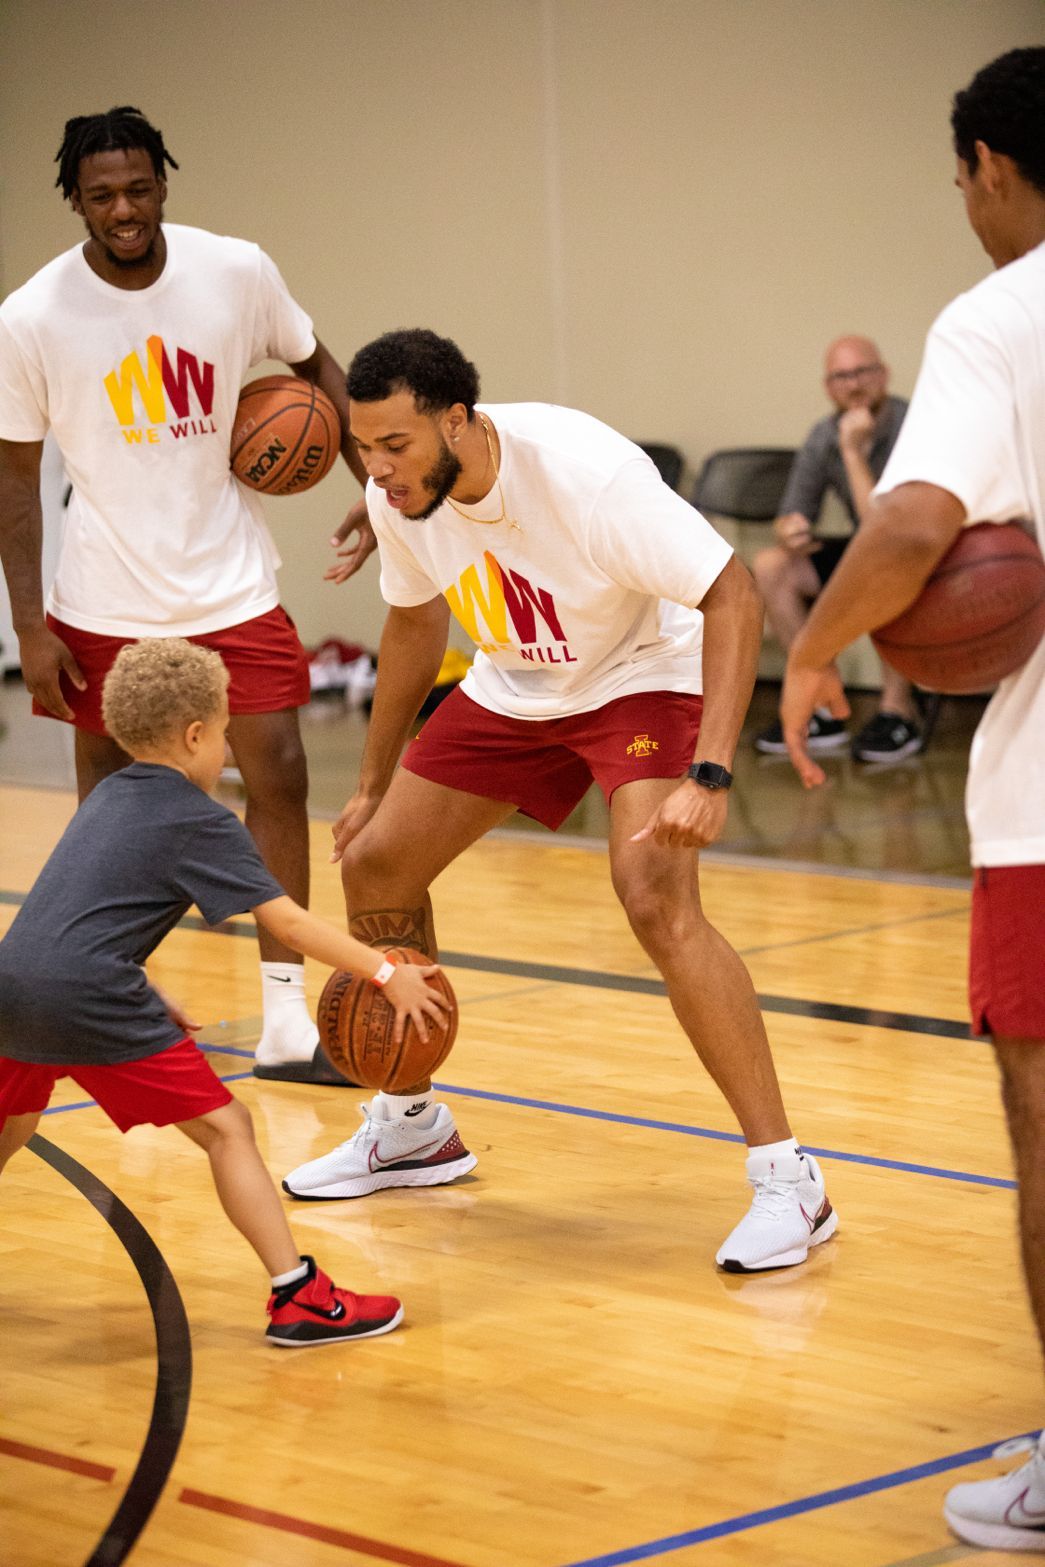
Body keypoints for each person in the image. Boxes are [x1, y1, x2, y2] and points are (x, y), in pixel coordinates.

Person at [284, 328, 838, 1274]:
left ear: (457, 420)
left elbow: (734, 596)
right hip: (516, 678)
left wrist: (709, 774)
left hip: (640, 671)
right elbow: (415, 622)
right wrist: (373, 782)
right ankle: (412, 1124)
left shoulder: (585, 475)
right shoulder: (401, 498)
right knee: (377, 861)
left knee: (652, 893)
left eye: (395, 446)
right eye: (363, 449)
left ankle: (790, 1177)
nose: (376, 471)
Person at [780, 47, 1045, 1553]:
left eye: (960, 180)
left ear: (993, 166)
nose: (962, 205)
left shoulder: (997, 313)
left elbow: (925, 519)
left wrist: (816, 652)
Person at [0, 106, 376, 1090]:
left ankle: (289, 1024)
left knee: (281, 775)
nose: (123, 209)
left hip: (228, 581)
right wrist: (29, 624)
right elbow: (11, 477)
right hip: (102, 599)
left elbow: (315, 372)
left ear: (163, 180)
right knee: (113, 816)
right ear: (74, 201)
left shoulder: (236, 270)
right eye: (101, 195)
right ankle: (108, 1002)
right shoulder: (32, 316)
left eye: (138, 187)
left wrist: (378, 488)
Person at [0, 638, 447, 1345]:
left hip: (14, 981)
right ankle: (299, 1295)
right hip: (89, 993)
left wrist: (142, 985)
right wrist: (386, 972)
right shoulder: (200, 816)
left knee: (13, 1123)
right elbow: (290, 924)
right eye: (227, 727)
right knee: (228, 1129)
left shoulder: (111, 793)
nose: (230, 744)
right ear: (196, 735)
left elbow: (74, 913)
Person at [752, 337, 922, 763]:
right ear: (829, 388)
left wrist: (851, 449)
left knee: (886, 560)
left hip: (919, 552)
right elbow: (792, 512)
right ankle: (822, 706)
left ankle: (898, 711)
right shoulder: (822, 434)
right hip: (871, 547)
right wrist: (788, 530)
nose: (854, 384)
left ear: (883, 375)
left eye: (864, 372)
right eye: (842, 376)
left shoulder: (914, 424)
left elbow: (882, 527)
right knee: (771, 565)